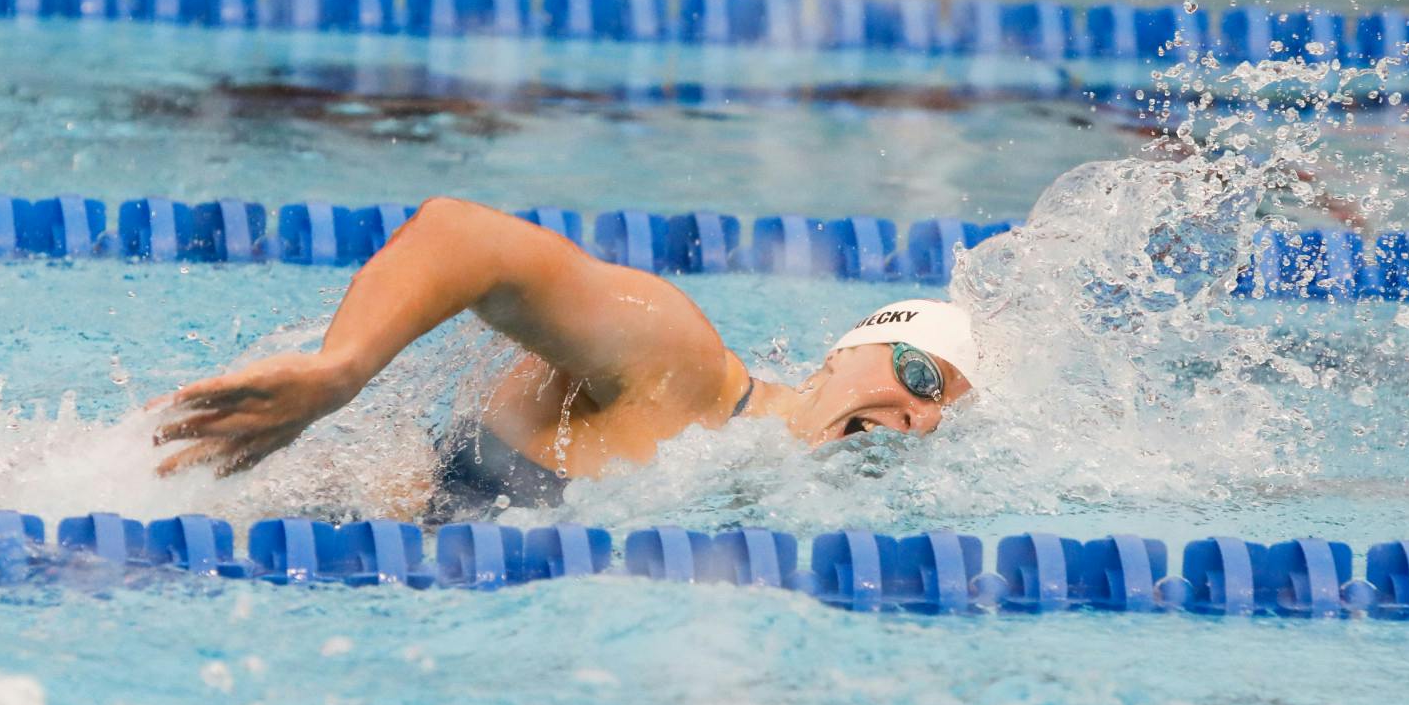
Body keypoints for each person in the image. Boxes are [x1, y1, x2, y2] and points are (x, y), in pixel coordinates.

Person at [151, 197, 984, 511]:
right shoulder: (680, 363)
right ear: (839, 356)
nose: (919, 414)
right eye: (919, 373)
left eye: (939, 414)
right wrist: (341, 370)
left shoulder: (761, 495)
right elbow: (463, 235)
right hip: (230, 512)